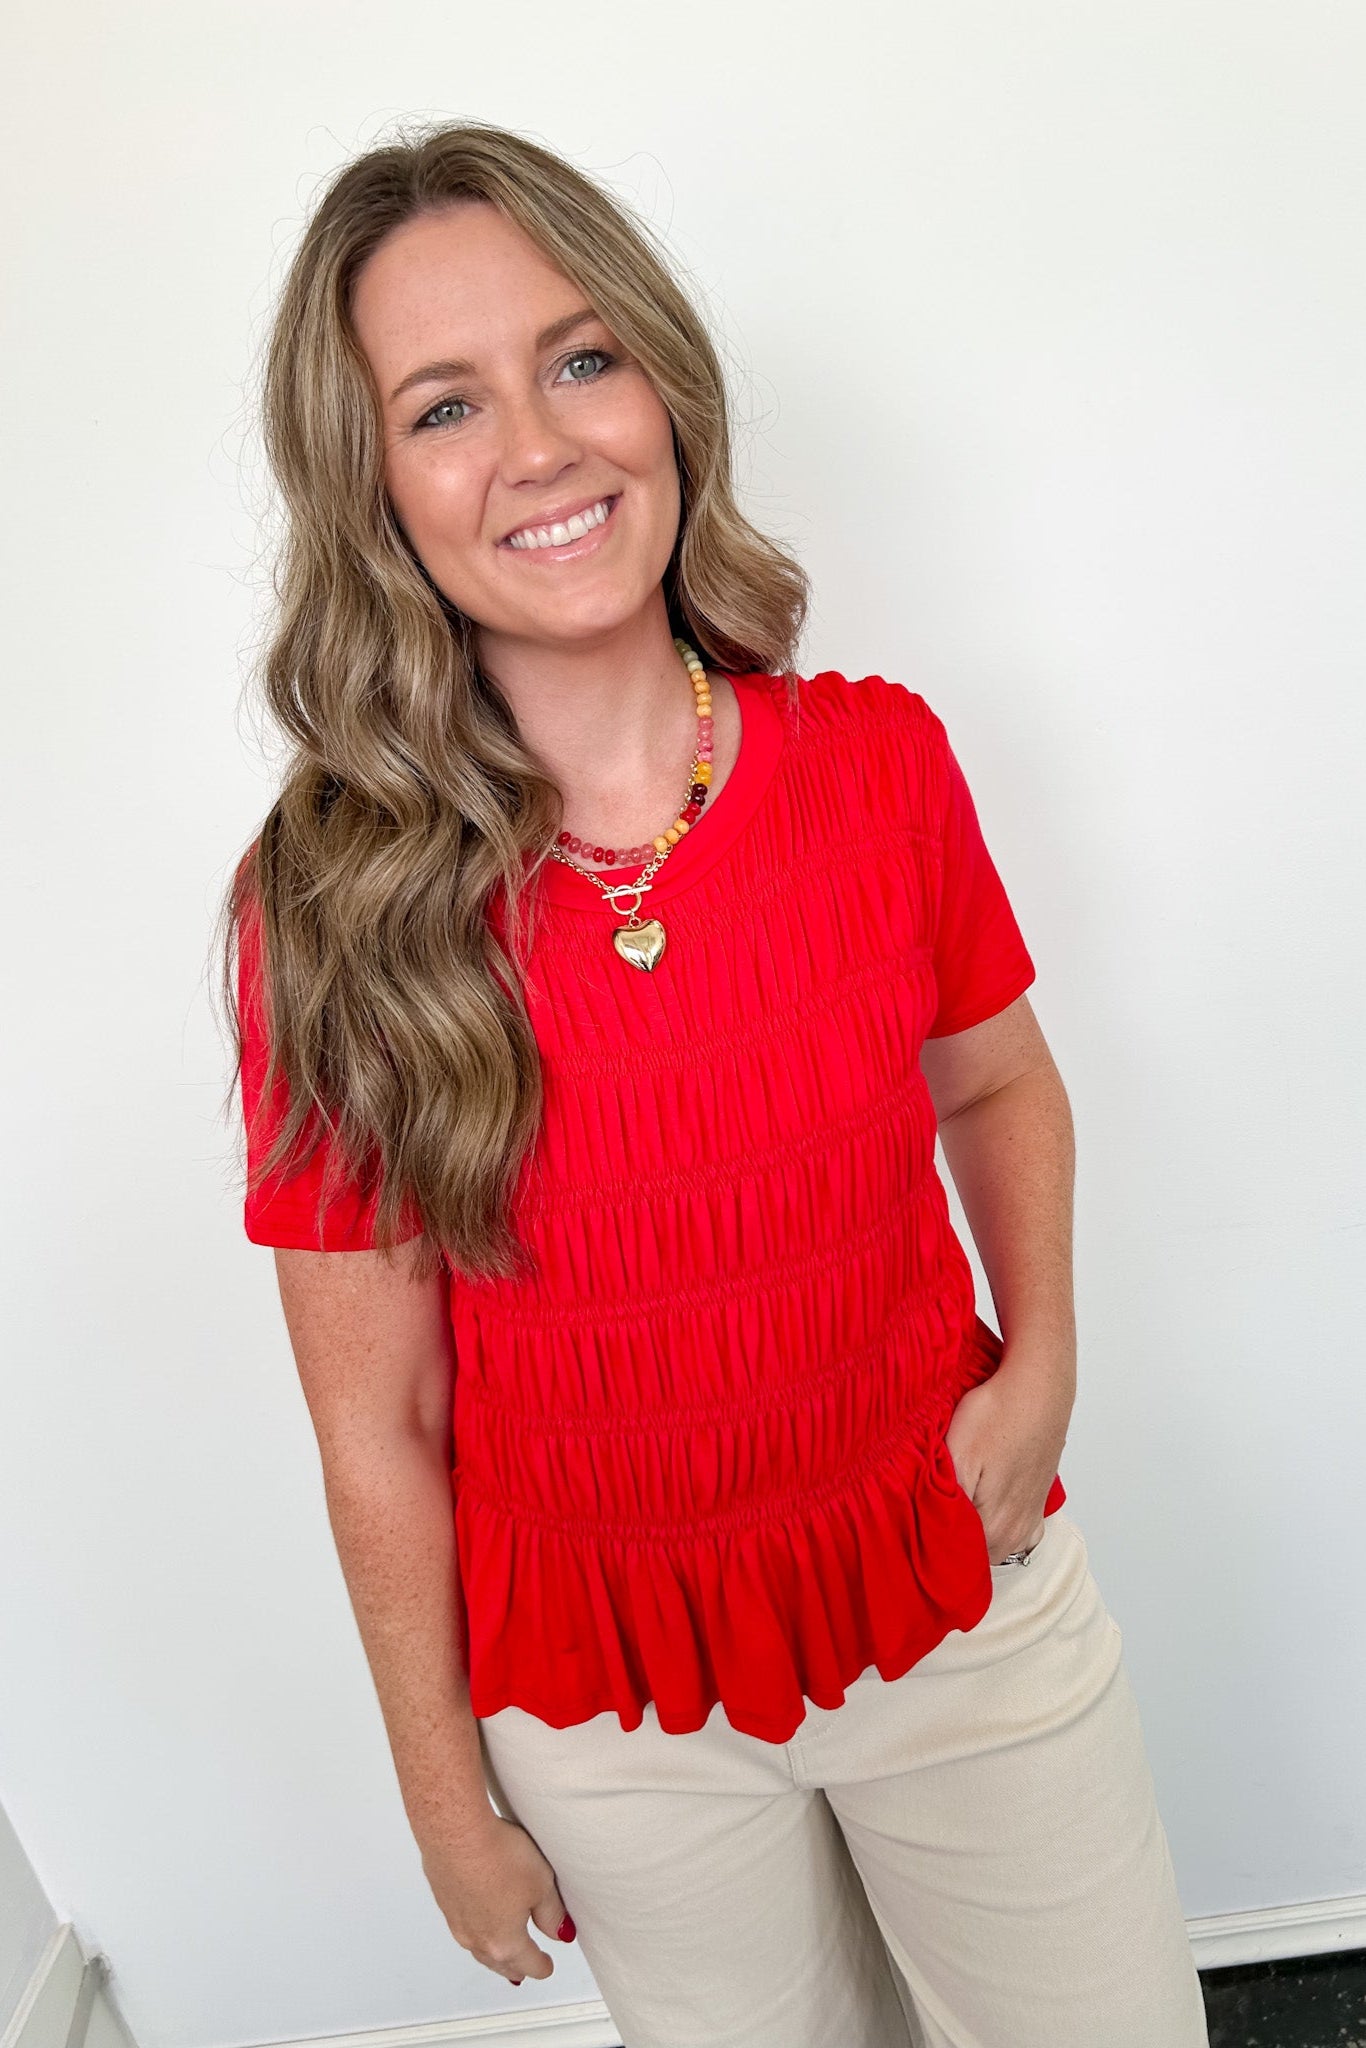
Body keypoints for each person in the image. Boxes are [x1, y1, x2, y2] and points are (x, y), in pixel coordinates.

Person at [220, 118, 1210, 2048]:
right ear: (371, 493)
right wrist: (449, 1803)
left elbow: (1001, 1088)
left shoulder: (875, 768)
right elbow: (380, 1427)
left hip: (950, 1590)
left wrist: (1044, 1364)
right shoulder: (326, 913)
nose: (537, 445)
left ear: (663, 390)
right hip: (615, 1724)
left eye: (578, 358)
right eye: (442, 404)